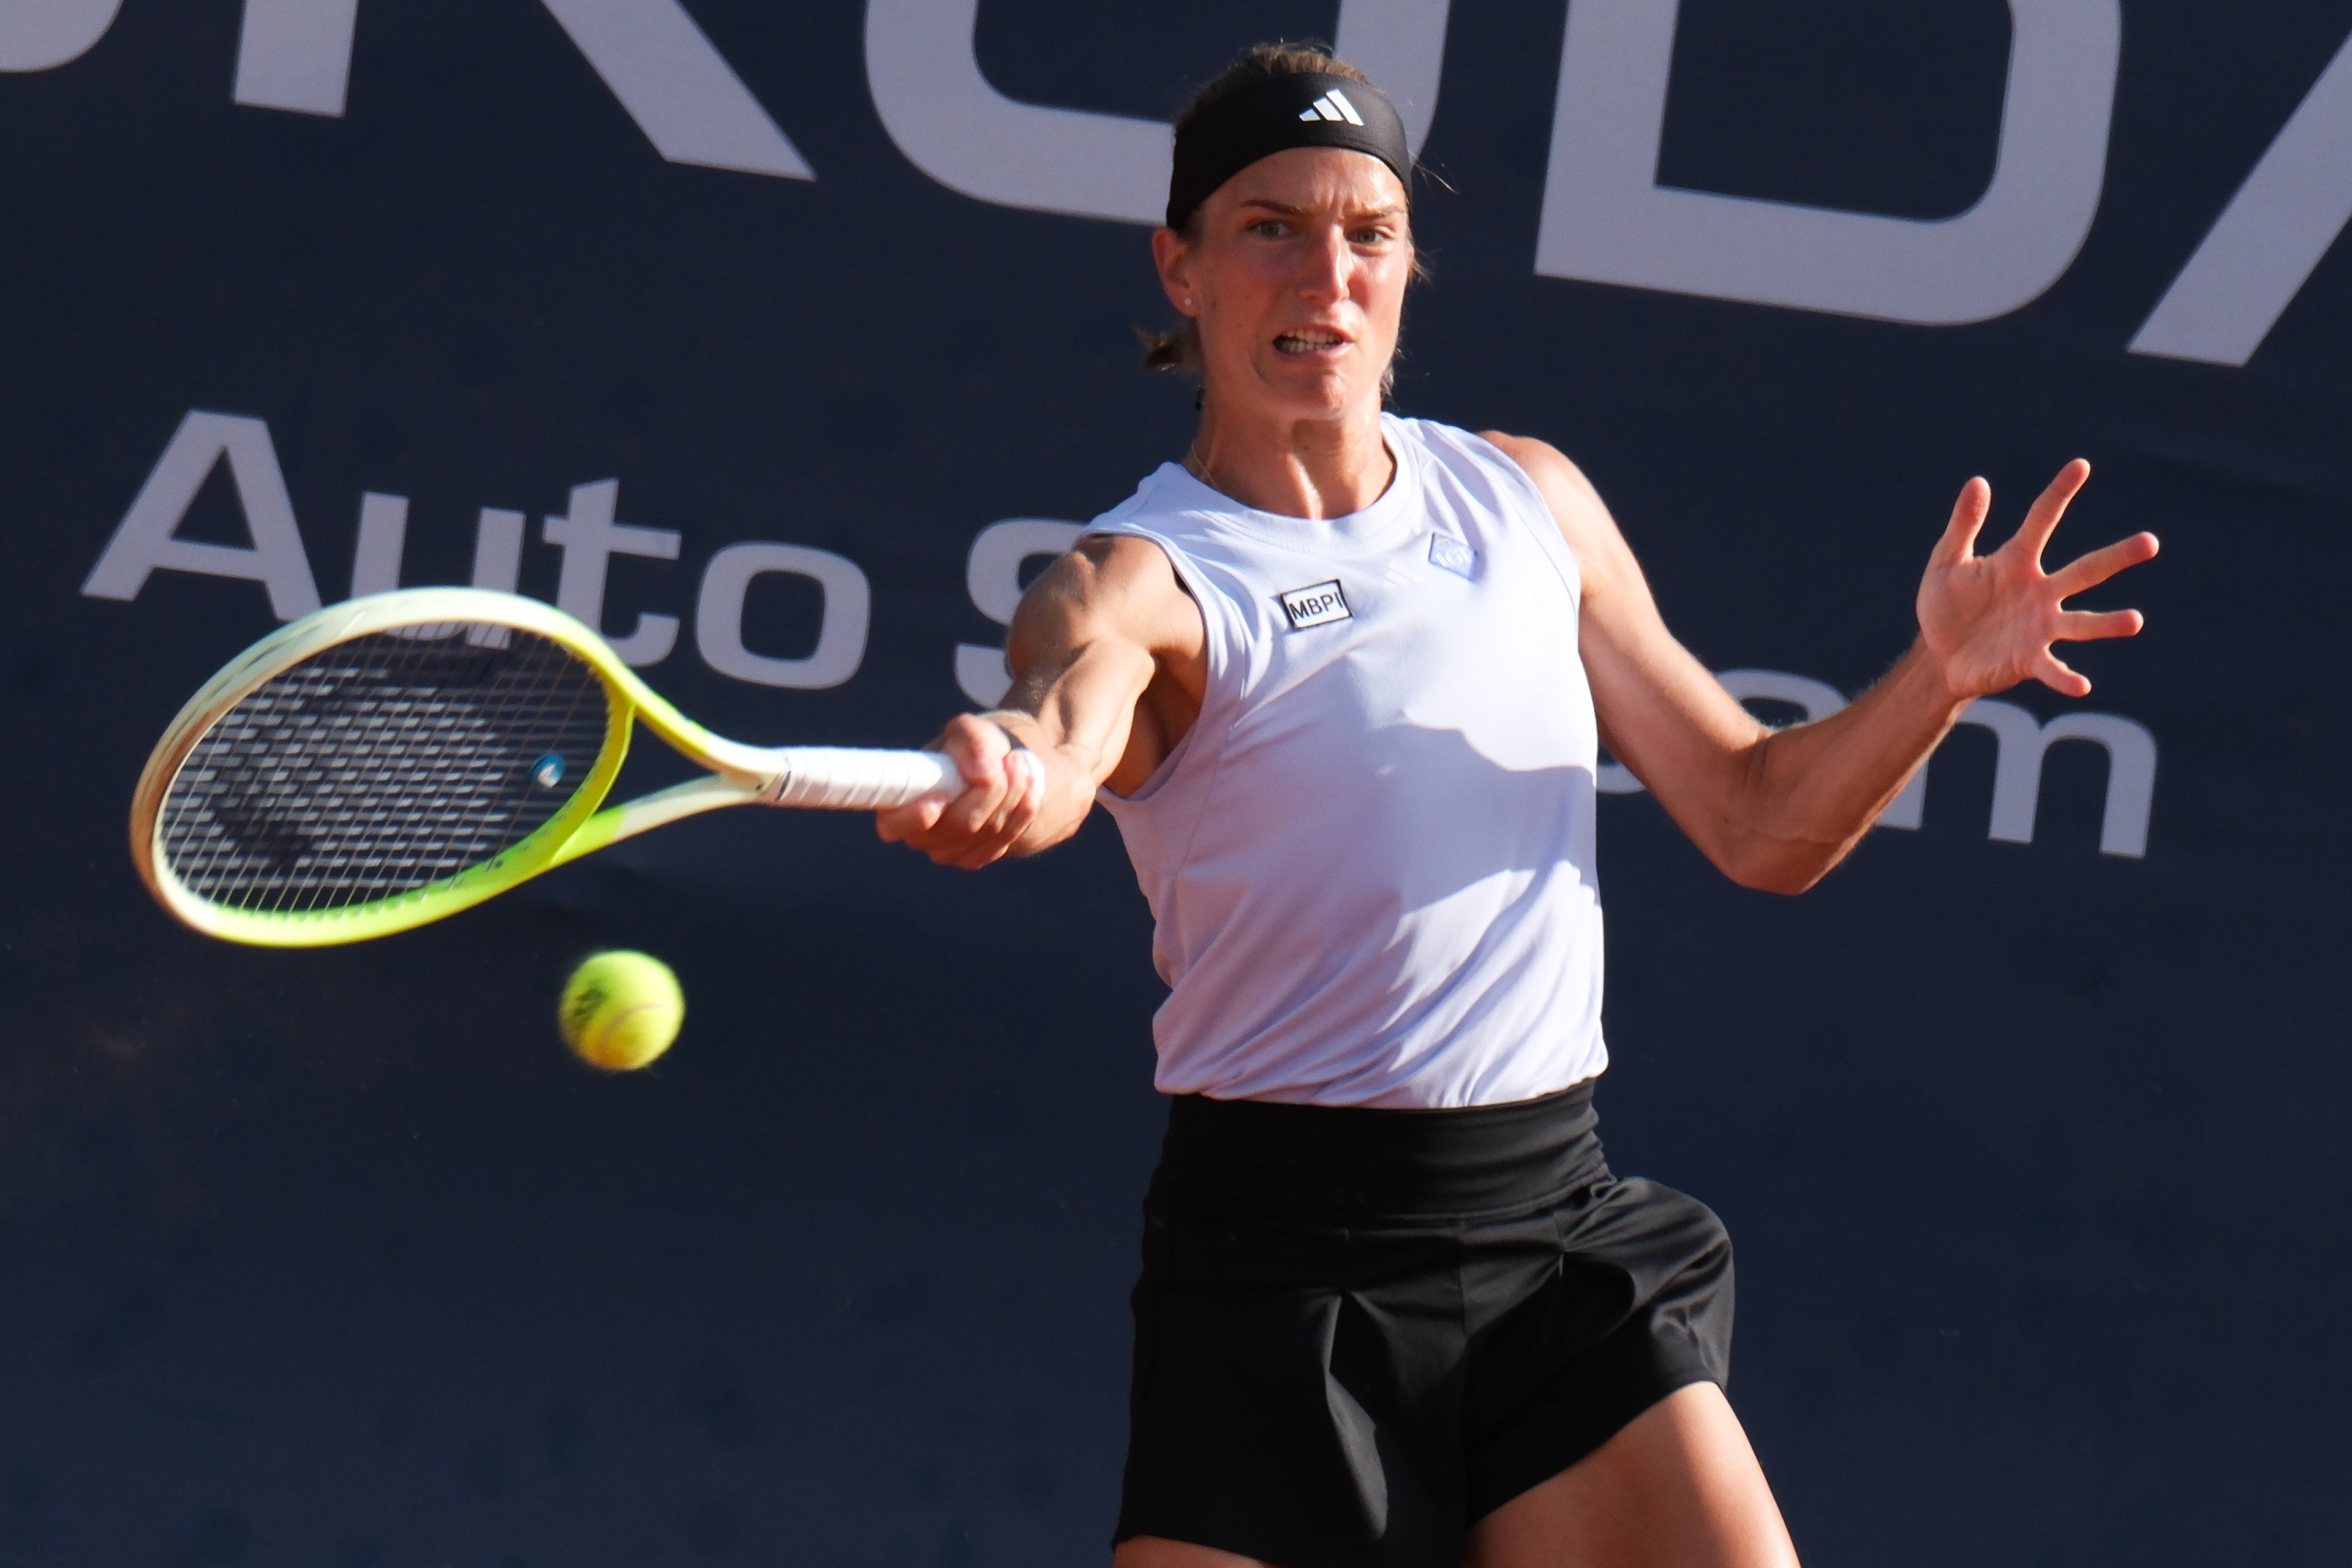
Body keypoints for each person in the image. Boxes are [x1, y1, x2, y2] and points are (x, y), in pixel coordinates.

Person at [878, 43, 2157, 1568]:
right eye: (1272, 227)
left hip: (1553, 1234)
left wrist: (1937, 676)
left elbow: (1759, 822)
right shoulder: (1138, 577)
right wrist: (1017, 779)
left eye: (1369, 233)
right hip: (1285, 1275)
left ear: (1412, 266)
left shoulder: (1528, 502)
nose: (1327, 275)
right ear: (1184, 267)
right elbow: (1066, 730)